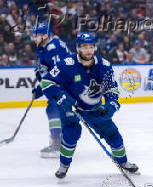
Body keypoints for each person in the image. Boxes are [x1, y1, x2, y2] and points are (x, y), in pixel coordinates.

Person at [40, 32, 138, 178]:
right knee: (71, 134)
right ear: (78, 48)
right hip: (70, 107)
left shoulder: (104, 66)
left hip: (94, 108)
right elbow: (47, 82)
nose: (88, 50)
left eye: (91, 47)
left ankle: (123, 162)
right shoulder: (66, 64)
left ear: (95, 48)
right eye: (84, 47)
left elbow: (112, 89)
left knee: (112, 134)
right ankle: (64, 165)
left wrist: (110, 107)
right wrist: (61, 98)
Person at [32, 23, 70, 158]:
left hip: (65, 83)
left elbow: (58, 71)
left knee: (53, 108)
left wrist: (41, 88)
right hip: (61, 82)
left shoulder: (53, 48)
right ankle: (59, 139)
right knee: (55, 109)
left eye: (36, 36)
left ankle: (57, 144)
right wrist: (41, 73)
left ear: (45, 35)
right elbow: (46, 68)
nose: (33, 38)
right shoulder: (44, 46)